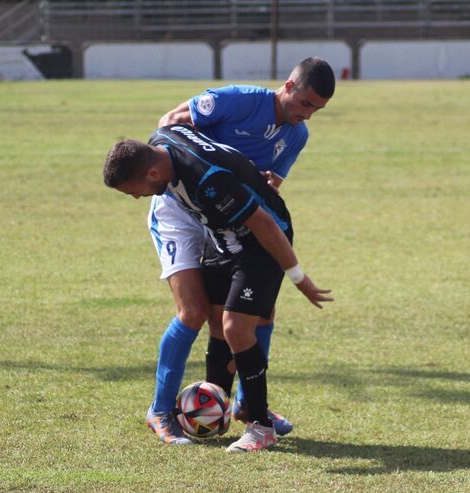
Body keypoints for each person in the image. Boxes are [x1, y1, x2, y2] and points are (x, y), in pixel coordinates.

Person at [143, 57, 336, 445]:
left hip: (226, 217)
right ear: (289, 86)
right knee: (193, 311)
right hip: (179, 207)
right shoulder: (240, 100)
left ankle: (247, 406)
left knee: (256, 313)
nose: (308, 115)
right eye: (306, 104)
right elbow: (168, 123)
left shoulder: (296, 136)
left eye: (317, 109)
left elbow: (268, 187)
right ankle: (161, 411)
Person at [103, 125, 332, 452]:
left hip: (261, 243)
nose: (138, 197)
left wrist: (299, 278)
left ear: (152, 172)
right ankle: (225, 404)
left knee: (237, 326)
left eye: (134, 190)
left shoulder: (207, 181)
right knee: (215, 319)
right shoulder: (161, 139)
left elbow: (265, 224)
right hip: (221, 237)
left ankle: (259, 426)